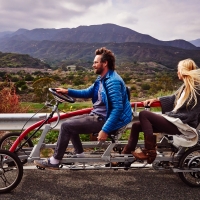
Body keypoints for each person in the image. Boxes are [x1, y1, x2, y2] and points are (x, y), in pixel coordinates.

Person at [34, 47, 133, 169]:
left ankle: (54, 161)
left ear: (105, 63)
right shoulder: (102, 78)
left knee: (66, 126)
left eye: (96, 62)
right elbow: (87, 92)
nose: (93, 65)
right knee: (70, 123)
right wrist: (67, 91)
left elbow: (117, 109)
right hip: (98, 115)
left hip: (105, 119)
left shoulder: (113, 81)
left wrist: (105, 130)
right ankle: (79, 153)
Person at [122, 58, 200, 164]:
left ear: (183, 71)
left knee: (144, 114)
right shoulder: (185, 87)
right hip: (176, 122)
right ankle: (125, 154)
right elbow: (173, 98)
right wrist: (156, 100)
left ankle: (150, 152)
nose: (177, 72)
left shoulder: (196, 88)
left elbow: (192, 112)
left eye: (179, 70)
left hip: (183, 126)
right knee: (136, 126)